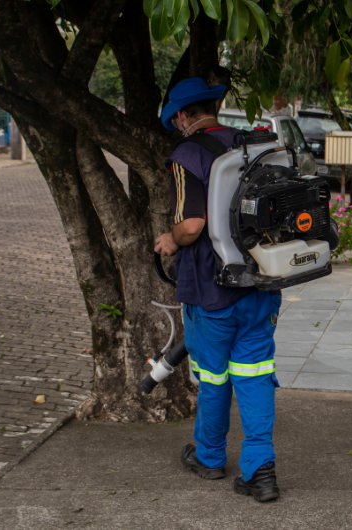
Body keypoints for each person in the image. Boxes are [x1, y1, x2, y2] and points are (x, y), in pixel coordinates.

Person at [154, 78, 281, 502]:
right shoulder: (251, 145)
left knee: (213, 376)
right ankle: (260, 471)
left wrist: (171, 239)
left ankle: (209, 457)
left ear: (181, 116)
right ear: (214, 106)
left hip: (213, 290)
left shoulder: (187, 154)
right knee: (255, 374)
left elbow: (191, 225)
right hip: (261, 280)